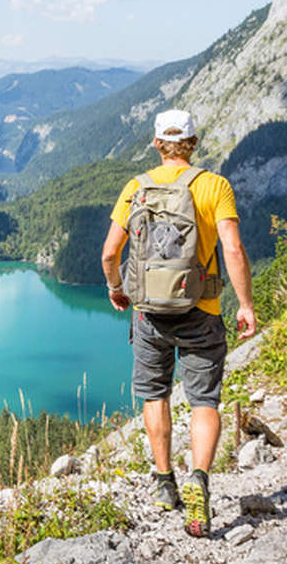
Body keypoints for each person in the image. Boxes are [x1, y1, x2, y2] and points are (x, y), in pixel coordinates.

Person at [100, 109, 256, 538]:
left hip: (149, 312)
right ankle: (199, 479)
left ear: (156, 144)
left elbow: (110, 254)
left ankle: (165, 482)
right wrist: (244, 304)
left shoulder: (136, 188)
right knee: (204, 400)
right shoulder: (214, 186)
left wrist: (117, 288)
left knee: (155, 394)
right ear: (193, 142)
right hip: (200, 310)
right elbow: (234, 250)